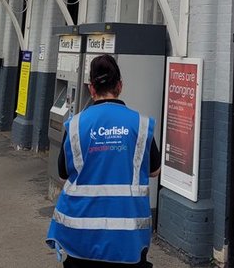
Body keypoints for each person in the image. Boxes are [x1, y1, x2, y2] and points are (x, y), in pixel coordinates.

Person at [47, 54, 160, 267]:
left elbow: (63, 174)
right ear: (120, 86)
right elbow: (154, 171)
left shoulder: (75, 125)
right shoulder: (141, 125)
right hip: (127, 239)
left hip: (79, 236)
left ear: (91, 88)